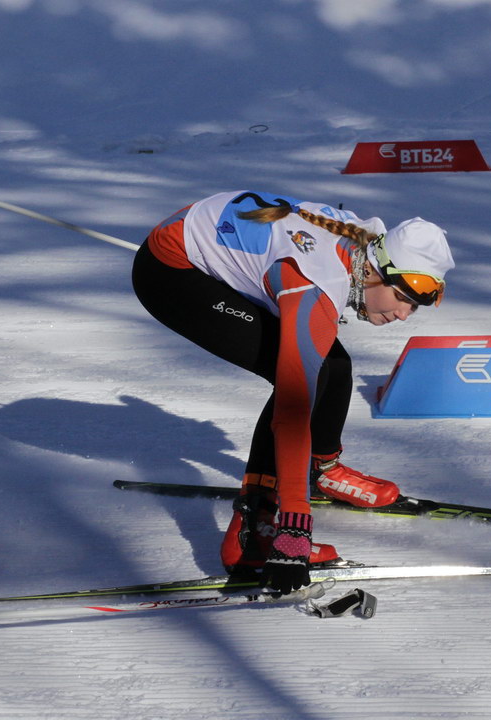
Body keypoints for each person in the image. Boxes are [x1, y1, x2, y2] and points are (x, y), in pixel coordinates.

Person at [132, 190, 454, 594]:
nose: (404, 314)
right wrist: (295, 530)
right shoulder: (314, 286)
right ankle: (253, 533)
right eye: (403, 298)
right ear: (372, 270)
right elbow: (291, 410)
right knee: (305, 380)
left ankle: (319, 469)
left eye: (416, 306)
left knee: (334, 365)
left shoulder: (365, 243)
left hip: (206, 237)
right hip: (171, 274)